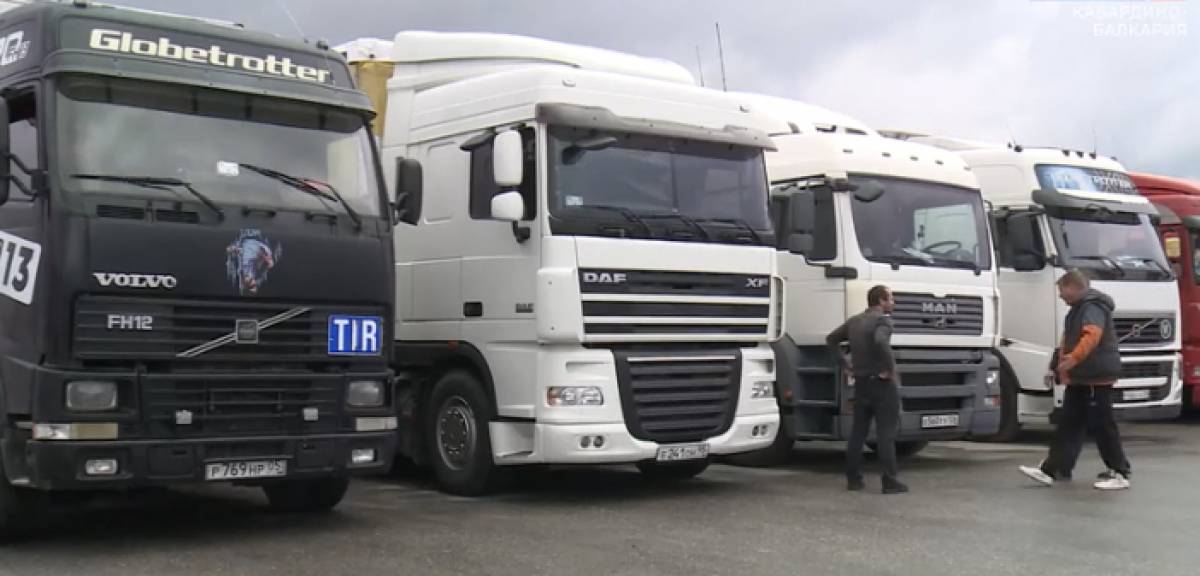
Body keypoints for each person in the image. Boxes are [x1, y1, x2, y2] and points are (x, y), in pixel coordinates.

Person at [1019, 269, 1131, 490]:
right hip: (1082, 377)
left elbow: (1092, 336)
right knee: (1070, 424)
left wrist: (1074, 359)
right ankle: (1054, 469)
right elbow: (1067, 342)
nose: (1060, 296)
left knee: (1102, 425)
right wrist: (1056, 367)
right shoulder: (1077, 310)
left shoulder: (1092, 308)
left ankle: (1119, 472)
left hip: (1095, 377)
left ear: (1074, 287)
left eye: (1062, 290)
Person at [826, 285, 908, 495]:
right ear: (881, 301)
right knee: (886, 434)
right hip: (881, 384)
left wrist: (846, 365)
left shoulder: (854, 321)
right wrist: (890, 370)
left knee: (858, 433)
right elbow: (880, 341)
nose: (893, 302)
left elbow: (831, 339)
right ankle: (889, 481)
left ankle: (854, 479)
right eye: (891, 298)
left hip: (861, 383)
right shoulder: (883, 321)